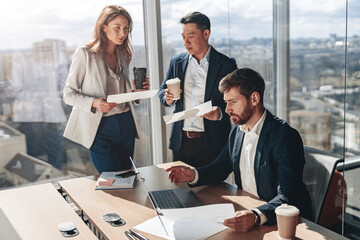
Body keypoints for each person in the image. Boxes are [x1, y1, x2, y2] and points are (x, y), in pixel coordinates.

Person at [166, 68, 312, 232]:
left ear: (254, 98)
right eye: (226, 102)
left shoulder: (285, 137)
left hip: (282, 223)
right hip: (247, 212)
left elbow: (288, 196)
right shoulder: (238, 130)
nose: (227, 109)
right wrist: (193, 174)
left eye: (233, 102)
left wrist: (256, 216)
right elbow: (220, 167)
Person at [63, 5, 149, 173]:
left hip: (125, 124)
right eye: (117, 28)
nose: (122, 33)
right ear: (104, 27)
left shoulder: (124, 55)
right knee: (112, 180)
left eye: (126, 29)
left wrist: (137, 94)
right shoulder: (85, 53)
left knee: (127, 177)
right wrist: (94, 102)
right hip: (100, 126)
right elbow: (68, 94)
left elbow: (121, 95)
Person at [158, 12, 237, 167]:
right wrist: (166, 98)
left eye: (191, 36)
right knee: (181, 189)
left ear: (206, 34)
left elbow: (236, 101)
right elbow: (162, 90)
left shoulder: (226, 65)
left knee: (213, 190)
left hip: (212, 142)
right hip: (181, 141)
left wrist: (220, 114)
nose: (186, 42)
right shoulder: (176, 62)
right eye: (183, 37)